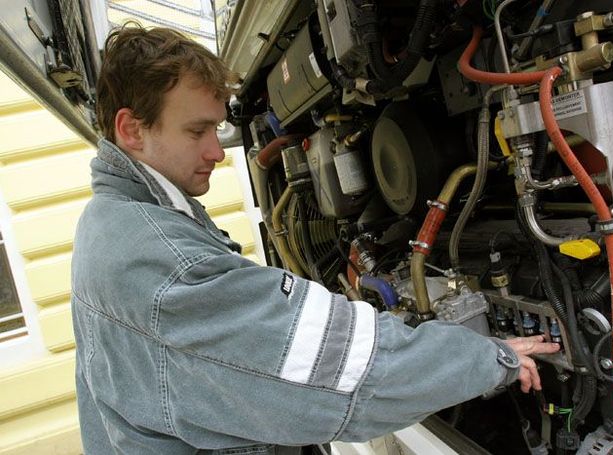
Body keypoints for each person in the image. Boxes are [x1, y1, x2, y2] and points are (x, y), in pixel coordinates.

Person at [71, 23, 560, 455]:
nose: (216, 152)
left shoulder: (116, 222)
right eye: (197, 130)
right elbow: (349, 373)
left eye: (217, 130)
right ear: (132, 129)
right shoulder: (158, 258)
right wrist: (483, 357)